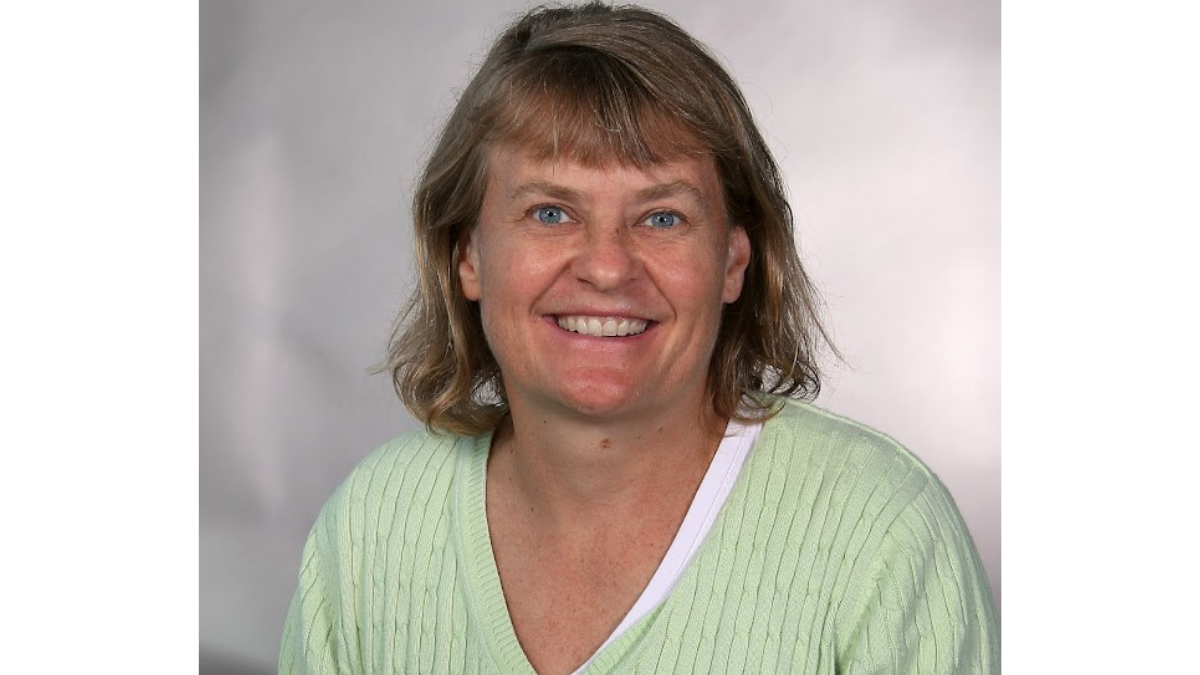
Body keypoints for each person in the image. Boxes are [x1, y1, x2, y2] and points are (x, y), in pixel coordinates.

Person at [278, 3, 999, 674]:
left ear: (733, 261)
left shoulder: (880, 534)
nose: (605, 266)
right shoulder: (372, 529)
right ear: (467, 255)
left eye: (662, 217)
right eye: (551, 212)